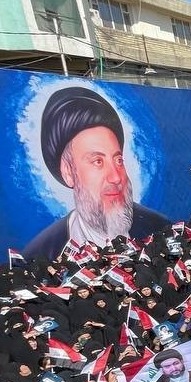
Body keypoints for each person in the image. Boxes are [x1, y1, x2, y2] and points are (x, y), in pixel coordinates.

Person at [22, 86, 171, 259]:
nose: (116, 177)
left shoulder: (159, 228)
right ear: (68, 171)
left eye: (118, 160)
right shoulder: (43, 254)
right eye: (98, 162)